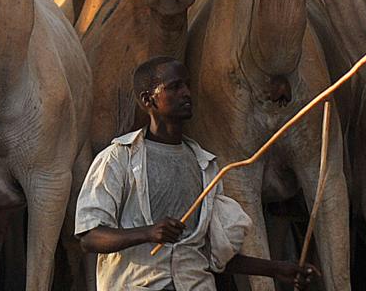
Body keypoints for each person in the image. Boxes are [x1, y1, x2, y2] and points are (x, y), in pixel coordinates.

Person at [75, 56, 319, 290]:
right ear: (148, 100)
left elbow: (213, 254)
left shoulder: (205, 165)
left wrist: (276, 269)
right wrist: (147, 233)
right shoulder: (118, 159)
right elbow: (90, 237)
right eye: (175, 87)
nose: (186, 93)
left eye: (188, 86)